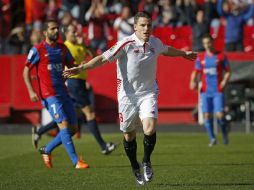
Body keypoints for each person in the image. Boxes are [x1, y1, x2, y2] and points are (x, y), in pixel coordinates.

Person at [63, 11, 197, 185]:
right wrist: (82, 68)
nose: (146, 28)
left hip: (148, 93)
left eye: (148, 25)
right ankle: (135, 165)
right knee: (129, 135)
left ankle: (146, 161)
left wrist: (183, 54)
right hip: (127, 97)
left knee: (149, 128)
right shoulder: (125, 44)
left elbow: (167, 50)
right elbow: (103, 58)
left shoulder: (155, 42)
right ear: (135, 27)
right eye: (142, 25)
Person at [32, 23, 117, 155]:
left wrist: (86, 46)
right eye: (73, 32)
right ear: (66, 33)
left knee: (71, 118)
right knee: (90, 113)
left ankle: (40, 132)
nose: (76, 34)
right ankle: (103, 146)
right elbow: (66, 67)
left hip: (79, 82)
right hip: (73, 83)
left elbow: (94, 55)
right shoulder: (66, 47)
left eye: (76, 32)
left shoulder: (79, 45)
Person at [23, 19, 89, 169]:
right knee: (63, 125)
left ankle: (47, 149)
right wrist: (31, 90)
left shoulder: (63, 48)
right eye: (52, 28)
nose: (56, 31)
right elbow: (25, 70)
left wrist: (80, 66)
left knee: (73, 129)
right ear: (45, 32)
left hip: (64, 93)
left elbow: (71, 66)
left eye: (57, 28)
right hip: (49, 95)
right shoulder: (37, 49)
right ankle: (76, 161)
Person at [190, 34, 231, 147]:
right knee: (207, 115)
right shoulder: (201, 57)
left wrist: (224, 81)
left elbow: (228, 71)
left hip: (218, 90)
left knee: (220, 115)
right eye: (205, 43)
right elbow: (196, 71)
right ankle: (212, 138)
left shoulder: (221, 56)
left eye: (209, 42)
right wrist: (192, 81)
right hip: (205, 91)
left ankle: (224, 133)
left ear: (212, 43)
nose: (207, 45)